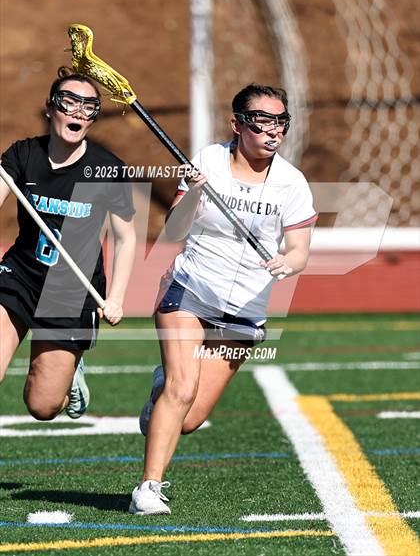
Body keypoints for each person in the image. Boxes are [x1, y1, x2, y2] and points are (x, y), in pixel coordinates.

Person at [128, 84, 317, 515]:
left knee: (190, 418)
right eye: (262, 120)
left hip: (245, 309)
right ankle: (148, 488)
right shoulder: (209, 161)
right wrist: (195, 191)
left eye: (280, 121)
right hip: (191, 289)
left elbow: (300, 250)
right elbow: (174, 229)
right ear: (237, 124)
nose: (273, 130)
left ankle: (160, 392)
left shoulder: (292, 183)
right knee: (182, 387)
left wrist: (288, 263)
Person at [0, 67, 136, 421]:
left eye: (88, 106)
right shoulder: (23, 154)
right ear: (50, 108)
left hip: (73, 291)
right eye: (69, 102)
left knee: (43, 405)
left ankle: (70, 377)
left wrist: (116, 297)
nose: (78, 111)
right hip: (20, 275)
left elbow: (125, 238)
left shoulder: (107, 168)